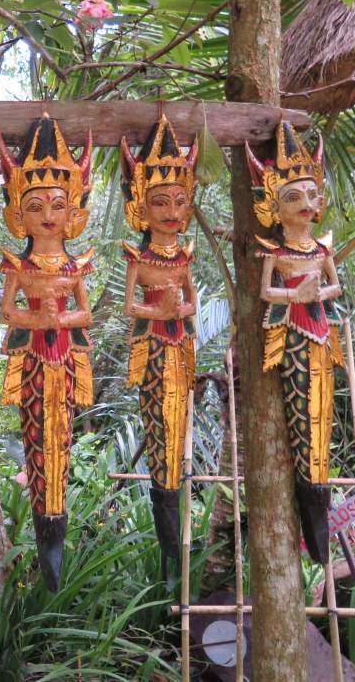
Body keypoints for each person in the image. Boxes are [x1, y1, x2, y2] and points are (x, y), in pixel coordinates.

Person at [0, 114, 94, 591]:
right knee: (37, 435)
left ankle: (55, 521)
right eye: (37, 207)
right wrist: (41, 320)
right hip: (34, 357)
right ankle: (43, 517)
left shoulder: (75, 267)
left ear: (74, 211)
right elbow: (6, 311)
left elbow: (86, 313)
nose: (49, 216)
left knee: (60, 436)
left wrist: (61, 320)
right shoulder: (20, 265)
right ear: (19, 214)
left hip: (65, 359)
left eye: (58, 205)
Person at [247, 121, 343, 564]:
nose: (305, 204)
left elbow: (335, 287)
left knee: (322, 411)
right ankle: (310, 496)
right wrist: (295, 295)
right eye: (293, 197)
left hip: (319, 329)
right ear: (273, 207)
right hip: (291, 332)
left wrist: (314, 294)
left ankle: (318, 496)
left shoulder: (322, 249)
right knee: (301, 409)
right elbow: (266, 292)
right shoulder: (276, 250)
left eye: (311, 195)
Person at [119, 114, 198, 570]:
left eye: (179, 201)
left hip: (179, 344)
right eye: (160, 201)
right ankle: (164, 511)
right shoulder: (138, 256)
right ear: (141, 208)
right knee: (157, 426)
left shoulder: (184, 256)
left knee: (177, 423)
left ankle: (173, 509)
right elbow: (130, 306)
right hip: (152, 345)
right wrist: (159, 312)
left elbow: (191, 302)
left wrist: (178, 312)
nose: (170, 211)